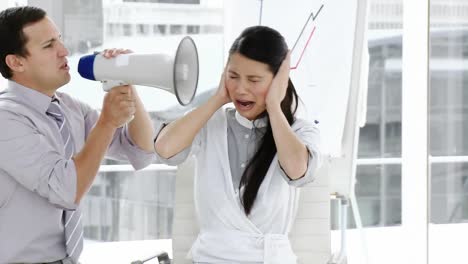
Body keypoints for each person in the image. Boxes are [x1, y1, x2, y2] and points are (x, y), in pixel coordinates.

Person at [154, 25, 322, 264]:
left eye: (254, 80)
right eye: (233, 77)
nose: (241, 89)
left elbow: (298, 171)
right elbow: (165, 148)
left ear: (279, 82)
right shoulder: (211, 124)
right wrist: (217, 99)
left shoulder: (300, 131)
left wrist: (274, 106)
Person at [0, 6, 155, 264]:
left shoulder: (69, 107)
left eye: (59, 39)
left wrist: (125, 78)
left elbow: (140, 152)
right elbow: (66, 190)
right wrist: (106, 122)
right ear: (16, 62)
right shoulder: (6, 119)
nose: (64, 51)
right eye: (49, 45)